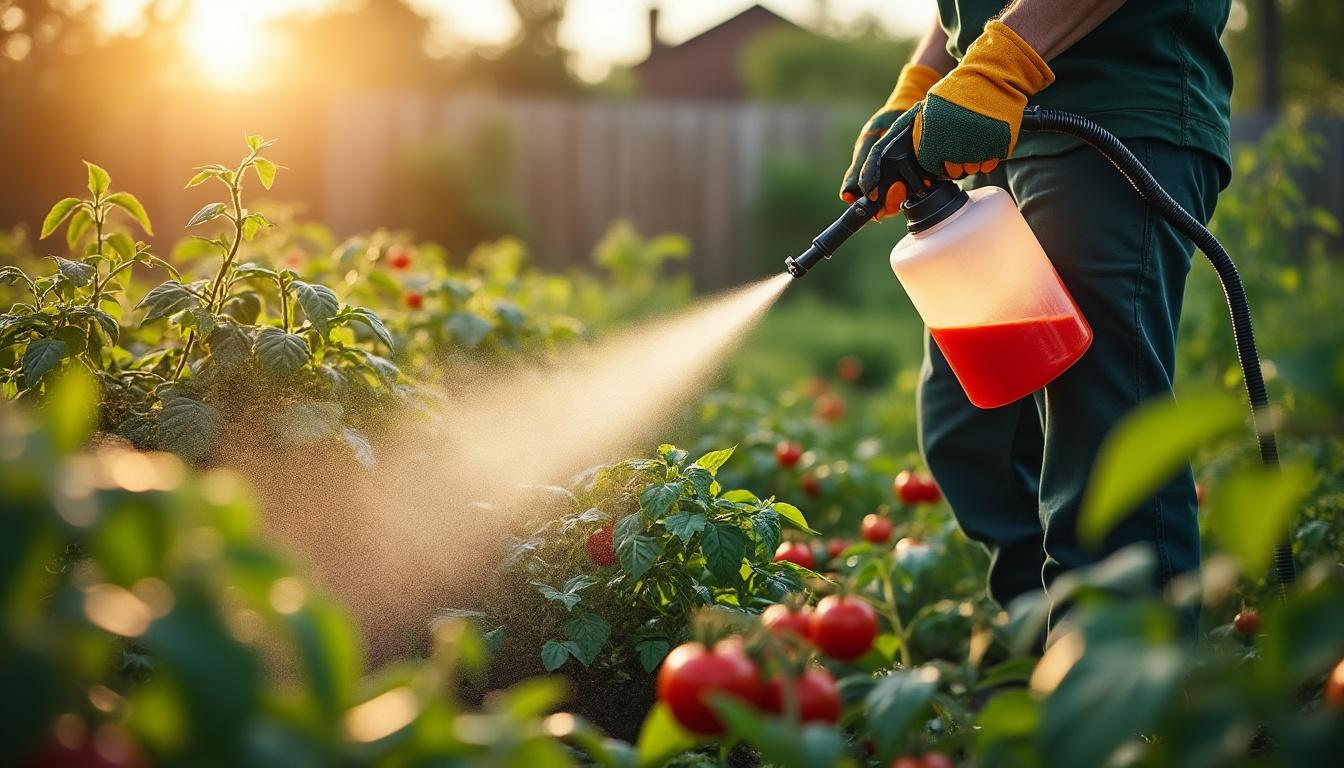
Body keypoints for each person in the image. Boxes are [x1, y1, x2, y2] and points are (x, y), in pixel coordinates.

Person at [841, 0, 1233, 631]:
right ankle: (1044, 649)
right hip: (1000, 129)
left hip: (1112, 115)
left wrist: (998, 70)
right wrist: (922, 83)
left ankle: (1129, 699)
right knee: (971, 430)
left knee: (1099, 435)